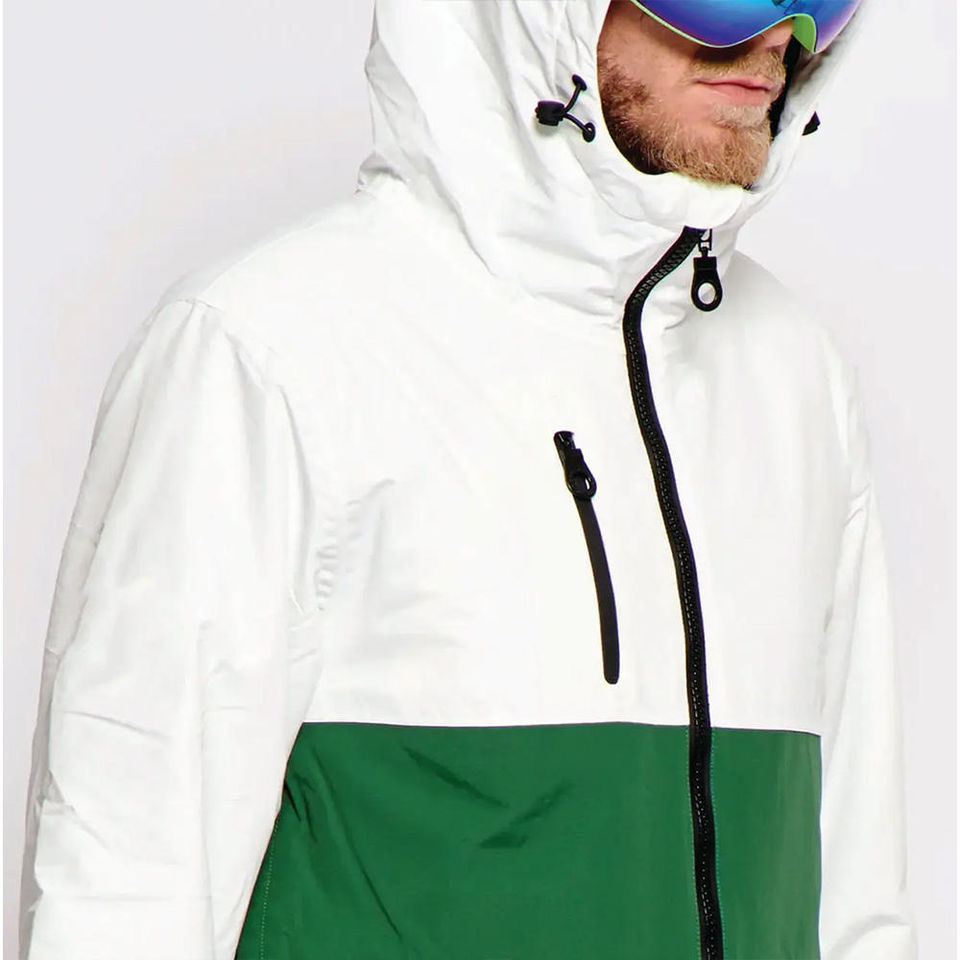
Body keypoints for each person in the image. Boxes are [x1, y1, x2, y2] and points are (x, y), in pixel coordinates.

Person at [19, 1, 918, 958]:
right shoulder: (268, 353)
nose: (781, 31)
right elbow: (123, 892)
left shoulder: (794, 375)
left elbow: (857, 903)